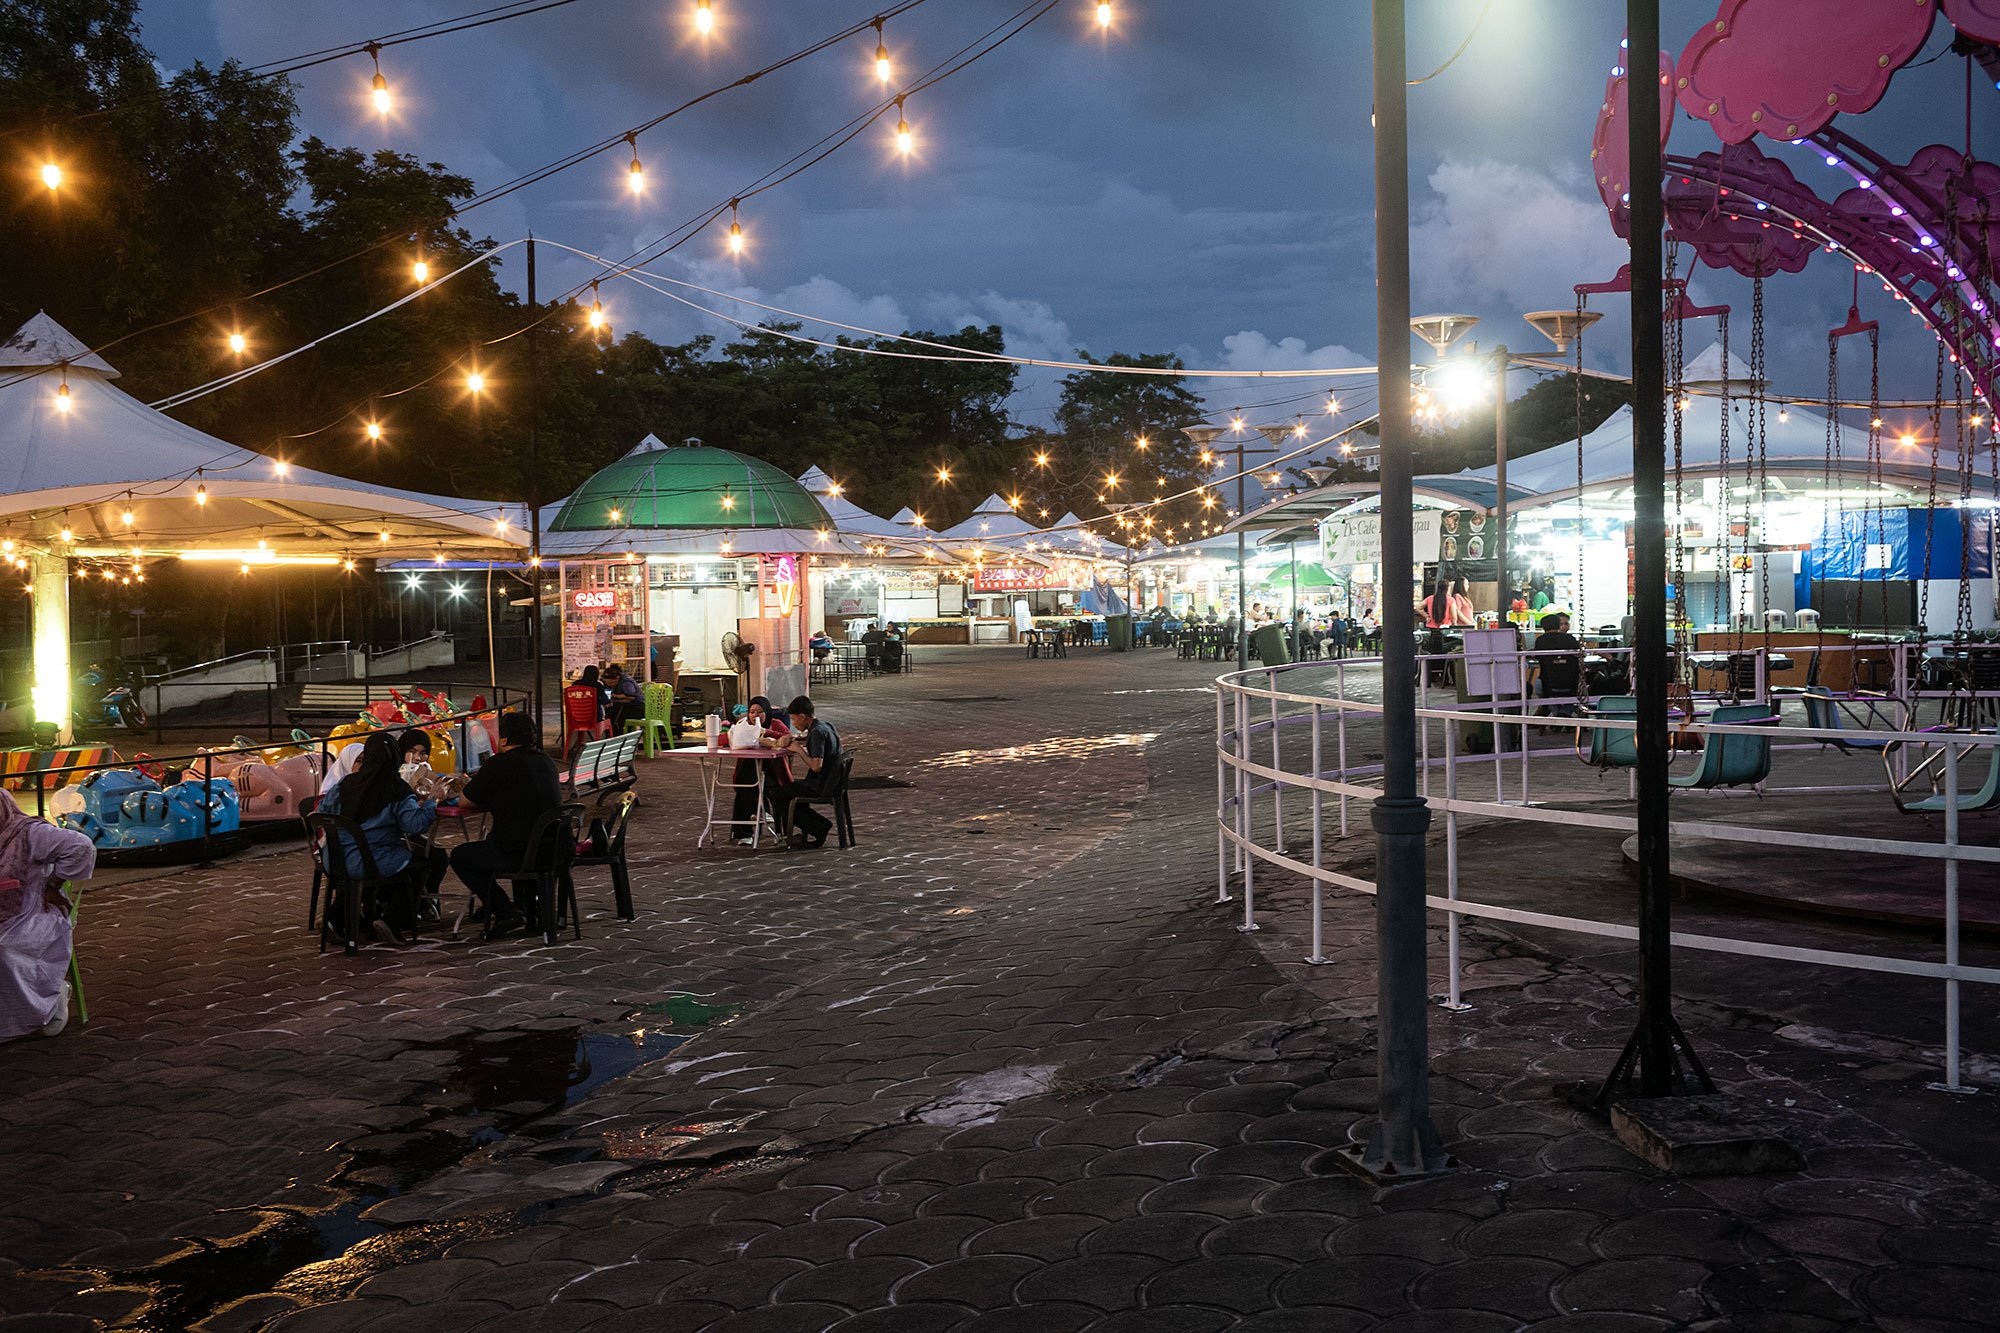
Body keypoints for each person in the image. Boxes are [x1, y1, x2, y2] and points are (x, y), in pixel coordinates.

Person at [319, 731, 442, 941]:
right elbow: (414, 825)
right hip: (372, 861)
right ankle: (392, 921)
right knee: (421, 864)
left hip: (334, 859)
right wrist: (432, 801)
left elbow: (323, 811)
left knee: (387, 860)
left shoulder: (344, 784)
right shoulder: (396, 788)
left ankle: (336, 918)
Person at [449, 712, 561, 938]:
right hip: (555, 848)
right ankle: (515, 908)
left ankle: (504, 910)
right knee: (492, 839)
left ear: (504, 739)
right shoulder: (545, 760)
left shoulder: (499, 764)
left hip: (518, 852)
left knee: (461, 856)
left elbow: (465, 800)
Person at [0, 790, 96, 1041]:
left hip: (31, 912)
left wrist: (53, 885)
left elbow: (81, 847)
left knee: (4, 949)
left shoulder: (29, 833)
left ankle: (49, 1003)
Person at [770, 695, 842, 848]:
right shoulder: (825, 726)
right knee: (790, 791)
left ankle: (819, 827)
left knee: (777, 795)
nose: (794, 724)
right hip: (832, 780)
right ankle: (817, 825)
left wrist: (799, 751)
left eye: (794, 719)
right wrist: (799, 740)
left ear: (802, 716)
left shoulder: (816, 733)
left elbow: (817, 766)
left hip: (820, 784)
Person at [727, 696, 792, 843]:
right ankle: (746, 830)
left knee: (751, 784)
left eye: (760, 712)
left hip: (773, 773)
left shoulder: (775, 723)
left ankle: (759, 813)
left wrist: (766, 732)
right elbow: (727, 740)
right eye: (752, 712)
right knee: (744, 782)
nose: (755, 715)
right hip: (749, 774)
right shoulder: (743, 726)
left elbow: (787, 736)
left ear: (767, 712)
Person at [1534, 612, 1585, 714]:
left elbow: (1537, 657)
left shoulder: (1541, 641)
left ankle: (1557, 714)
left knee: (1540, 686)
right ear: (1558, 625)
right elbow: (1580, 655)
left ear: (1543, 627)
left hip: (1548, 684)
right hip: (1571, 684)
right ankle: (1565, 714)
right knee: (1570, 692)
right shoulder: (1570, 639)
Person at [602, 663, 642, 733]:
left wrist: (614, 696)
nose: (610, 685)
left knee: (620, 717)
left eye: (612, 683)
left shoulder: (626, 682)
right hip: (620, 705)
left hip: (637, 707)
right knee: (609, 713)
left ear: (617, 678)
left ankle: (623, 734)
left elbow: (631, 697)